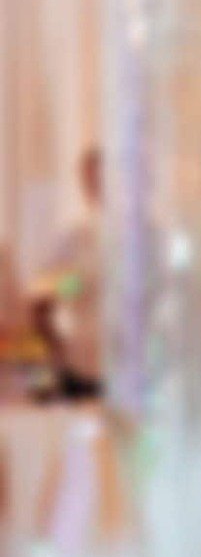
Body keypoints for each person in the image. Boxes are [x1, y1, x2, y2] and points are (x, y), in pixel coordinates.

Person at [30, 149, 105, 398]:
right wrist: (59, 352)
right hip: (84, 373)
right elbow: (40, 303)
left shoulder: (151, 239)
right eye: (93, 179)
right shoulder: (76, 241)